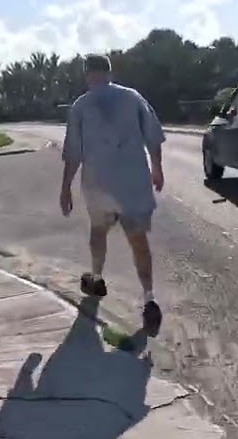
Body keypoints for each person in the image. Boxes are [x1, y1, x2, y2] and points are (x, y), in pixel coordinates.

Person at [59, 53, 166, 334]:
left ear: (87, 74)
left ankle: (96, 278)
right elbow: (153, 136)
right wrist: (157, 168)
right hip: (133, 182)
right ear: (109, 71)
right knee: (138, 240)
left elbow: (73, 153)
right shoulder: (133, 97)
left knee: (98, 232)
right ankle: (149, 297)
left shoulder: (81, 106)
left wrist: (65, 187)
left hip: (98, 183)